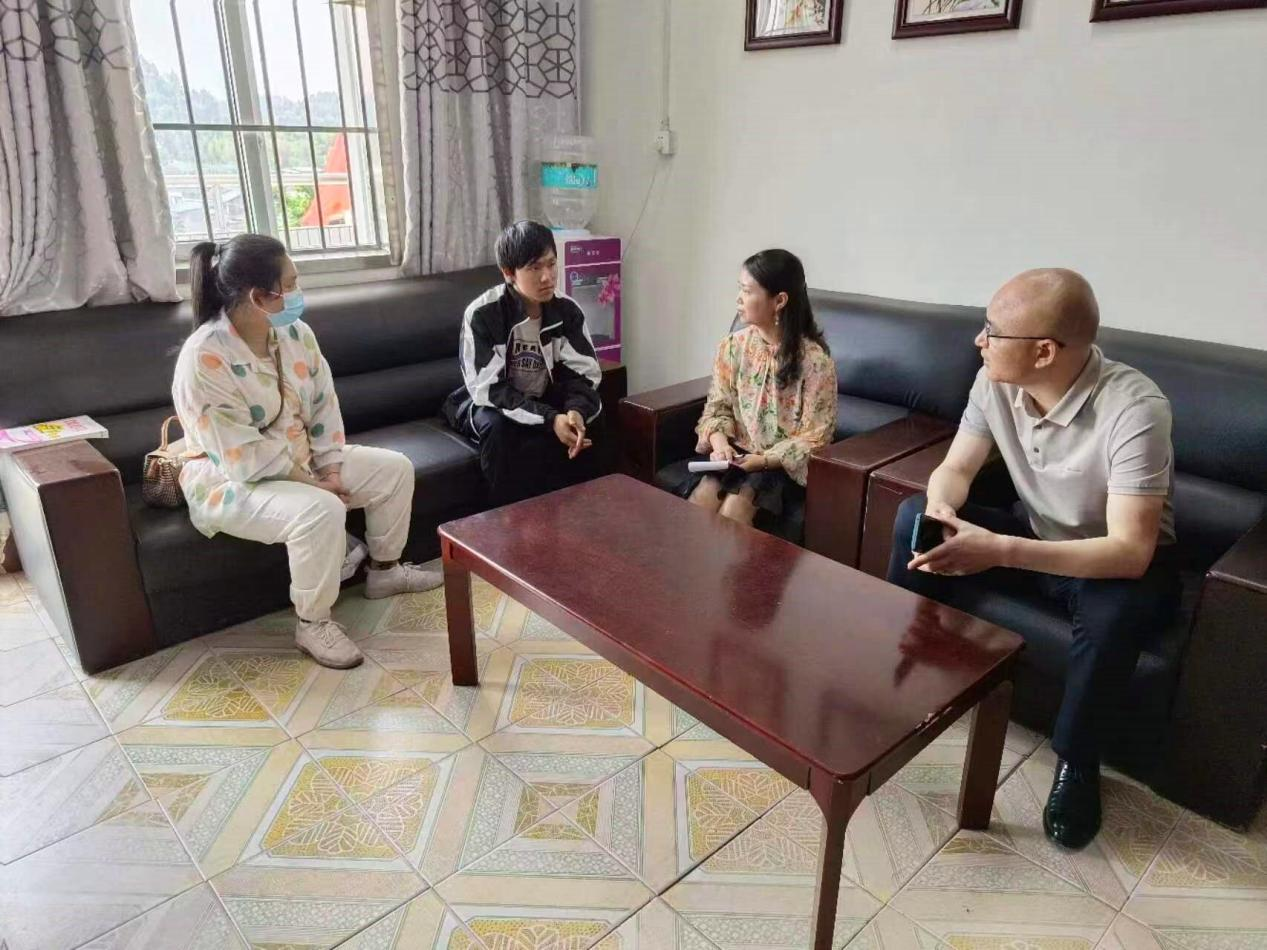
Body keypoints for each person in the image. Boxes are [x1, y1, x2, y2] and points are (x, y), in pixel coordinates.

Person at [887, 268, 1179, 850]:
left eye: (992, 331)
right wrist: (943, 506)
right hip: (1035, 533)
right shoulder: (994, 380)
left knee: (1115, 613)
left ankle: (1077, 763)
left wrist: (998, 550)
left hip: (1108, 562)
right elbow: (957, 466)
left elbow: (1130, 550)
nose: (979, 340)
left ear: (1044, 351)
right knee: (912, 516)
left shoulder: (1136, 409)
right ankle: (902, 670)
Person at [173, 234, 442, 670]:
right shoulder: (205, 358)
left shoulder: (295, 334)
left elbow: (323, 406)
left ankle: (385, 571)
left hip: (303, 459)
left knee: (393, 470)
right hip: (232, 479)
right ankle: (313, 622)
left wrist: (330, 468)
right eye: (290, 284)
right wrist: (315, 485)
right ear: (258, 297)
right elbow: (240, 455)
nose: (298, 293)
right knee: (321, 510)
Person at [443, 220, 604, 506]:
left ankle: (577, 514)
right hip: (486, 403)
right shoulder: (482, 314)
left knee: (590, 419)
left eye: (551, 264)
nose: (547, 277)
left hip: (539, 398)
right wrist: (550, 419)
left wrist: (575, 412)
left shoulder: (567, 310)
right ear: (508, 273)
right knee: (499, 430)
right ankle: (503, 519)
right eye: (534, 268)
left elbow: (584, 373)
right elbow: (489, 390)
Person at [675, 249, 837, 529]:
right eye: (740, 288)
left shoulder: (815, 363)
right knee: (701, 502)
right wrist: (720, 446)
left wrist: (762, 461)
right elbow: (718, 408)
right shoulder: (733, 347)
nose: (738, 298)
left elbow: (816, 438)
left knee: (733, 511)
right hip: (736, 455)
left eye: (748, 291)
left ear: (779, 301)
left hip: (780, 466)